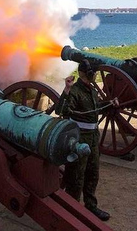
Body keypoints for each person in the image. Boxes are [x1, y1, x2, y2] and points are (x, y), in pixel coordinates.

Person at [54, 61, 113, 221]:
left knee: (93, 173)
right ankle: (71, 210)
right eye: (92, 73)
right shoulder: (74, 91)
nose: (93, 75)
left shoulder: (92, 91)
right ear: (85, 74)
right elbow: (61, 110)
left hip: (93, 136)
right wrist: (66, 89)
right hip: (80, 137)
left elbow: (96, 106)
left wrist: (110, 104)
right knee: (76, 177)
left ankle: (91, 206)